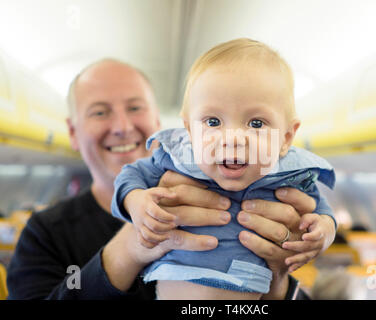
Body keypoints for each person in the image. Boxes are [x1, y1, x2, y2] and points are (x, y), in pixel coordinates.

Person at [6, 58, 335, 300]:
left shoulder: (277, 179)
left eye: (135, 108)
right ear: (73, 133)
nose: (121, 126)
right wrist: (129, 248)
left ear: (158, 120)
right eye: (99, 112)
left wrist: (278, 277)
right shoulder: (44, 234)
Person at [111, 39, 336, 299]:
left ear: (286, 137)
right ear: (190, 131)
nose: (233, 138)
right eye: (213, 121)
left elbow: (320, 211)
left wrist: (325, 231)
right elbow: (131, 176)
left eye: (256, 123)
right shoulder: (177, 159)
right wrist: (135, 201)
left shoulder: (291, 175)